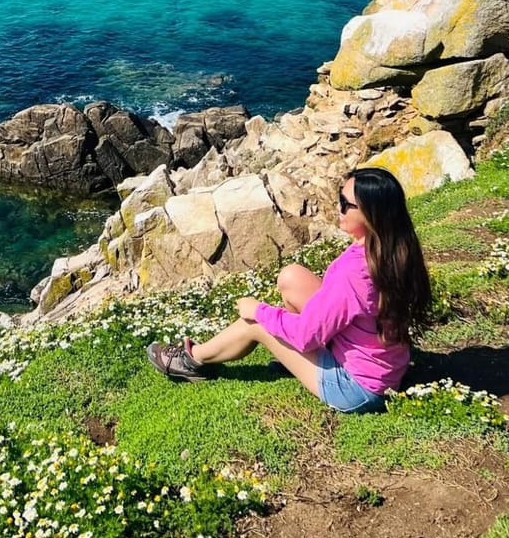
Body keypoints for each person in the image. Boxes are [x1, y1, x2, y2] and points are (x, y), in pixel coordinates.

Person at [146, 167, 432, 413]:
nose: (338, 208)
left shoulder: (355, 272)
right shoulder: (392, 247)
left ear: (371, 214)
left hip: (357, 388)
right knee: (291, 276)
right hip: (381, 366)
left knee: (254, 324)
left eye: (345, 204)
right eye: (339, 199)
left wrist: (258, 310)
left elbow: (307, 336)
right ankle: (295, 362)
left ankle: (191, 359)